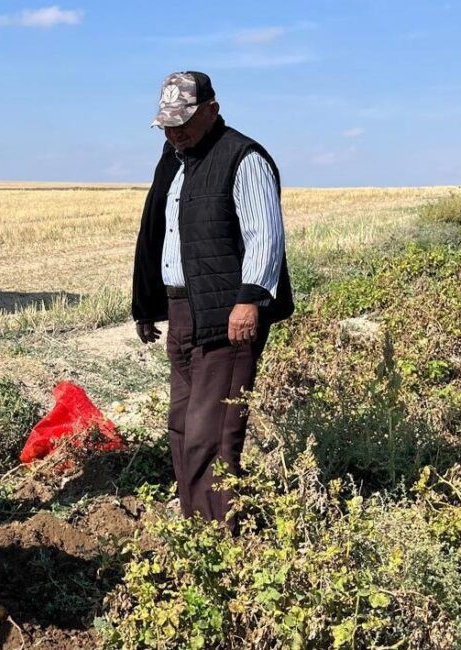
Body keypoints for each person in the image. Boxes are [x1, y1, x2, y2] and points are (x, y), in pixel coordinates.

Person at [131, 71, 294, 531]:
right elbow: (156, 234)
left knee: (214, 430)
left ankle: (222, 535)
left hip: (228, 313)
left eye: (182, 120)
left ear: (212, 110)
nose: (174, 131)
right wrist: (147, 304)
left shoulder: (242, 157)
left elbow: (266, 235)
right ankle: (193, 524)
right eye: (166, 123)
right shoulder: (175, 160)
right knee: (182, 423)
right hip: (183, 309)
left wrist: (250, 300)